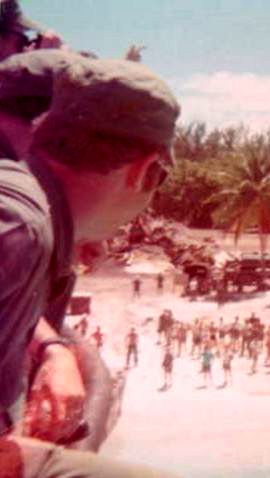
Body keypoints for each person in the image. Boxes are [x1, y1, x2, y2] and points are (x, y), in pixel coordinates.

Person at [0, 50, 179, 476]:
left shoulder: (33, 213)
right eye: (160, 179)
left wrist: (52, 349)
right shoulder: (20, 223)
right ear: (142, 171)